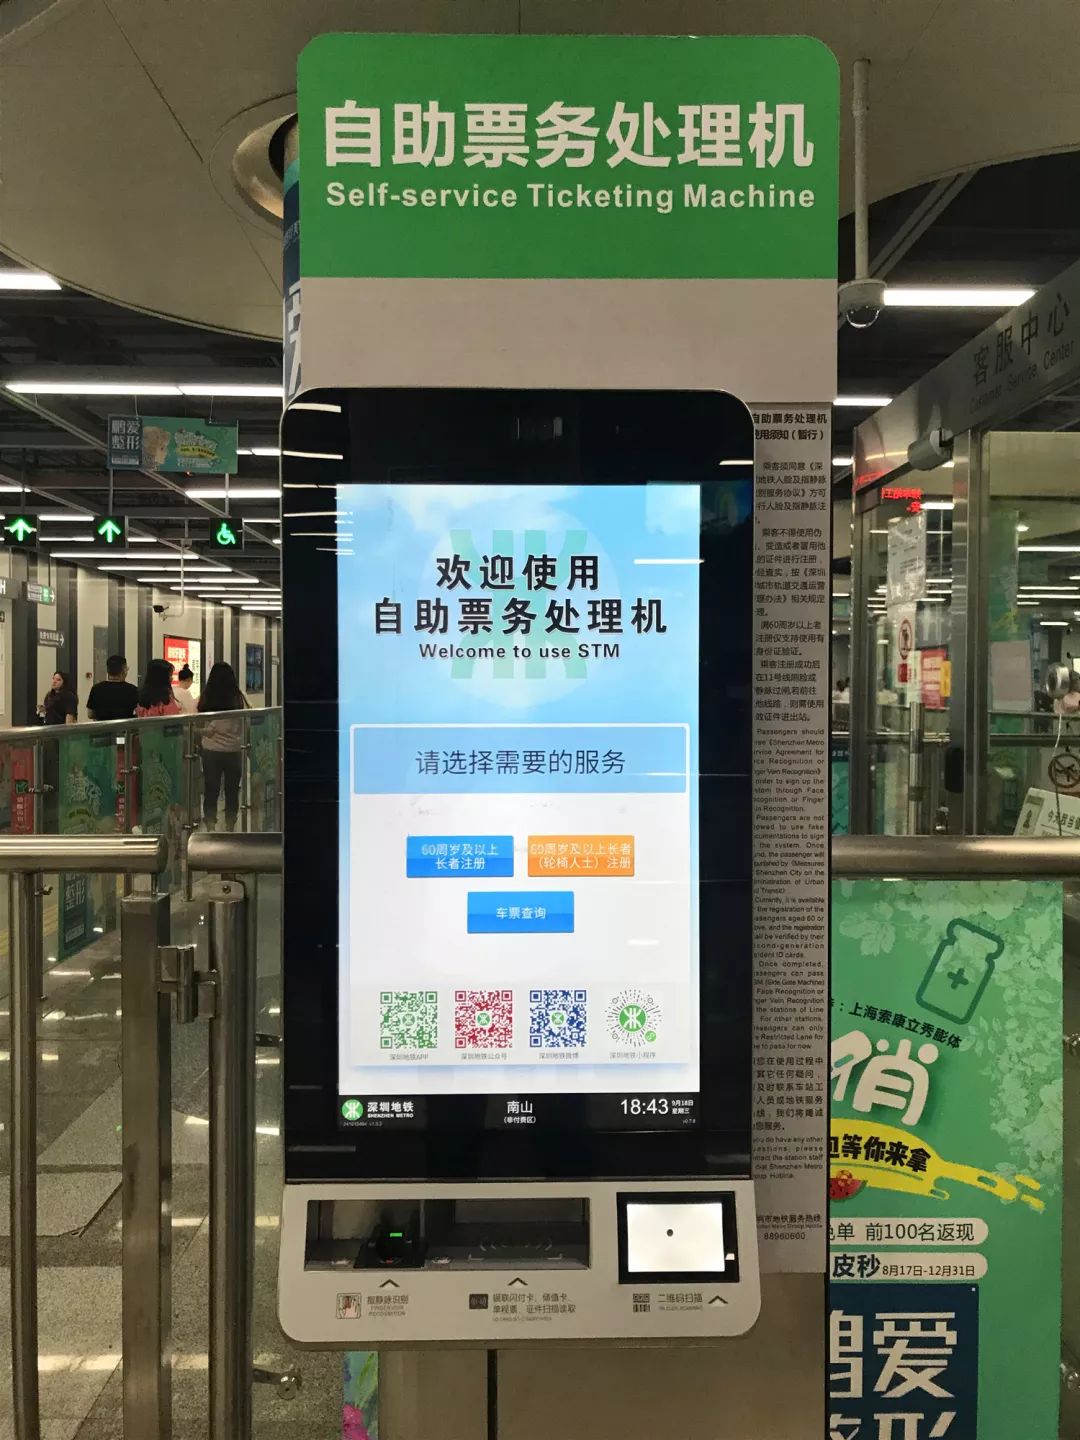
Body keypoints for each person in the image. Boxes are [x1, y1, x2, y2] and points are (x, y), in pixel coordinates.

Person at [198, 661, 248, 832]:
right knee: (232, 790)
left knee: (211, 789)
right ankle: (230, 825)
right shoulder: (238, 698)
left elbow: (204, 725)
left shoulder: (207, 697)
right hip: (234, 750)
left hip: (211, 751)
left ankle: (210, 825)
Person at [86, 654, 138, 721]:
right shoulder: (133, 690)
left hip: (102, 726)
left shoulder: (96, 689)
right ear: (124, 670)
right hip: (124, 726)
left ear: (107, 670)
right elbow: (138, 712)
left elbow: (90, 714)